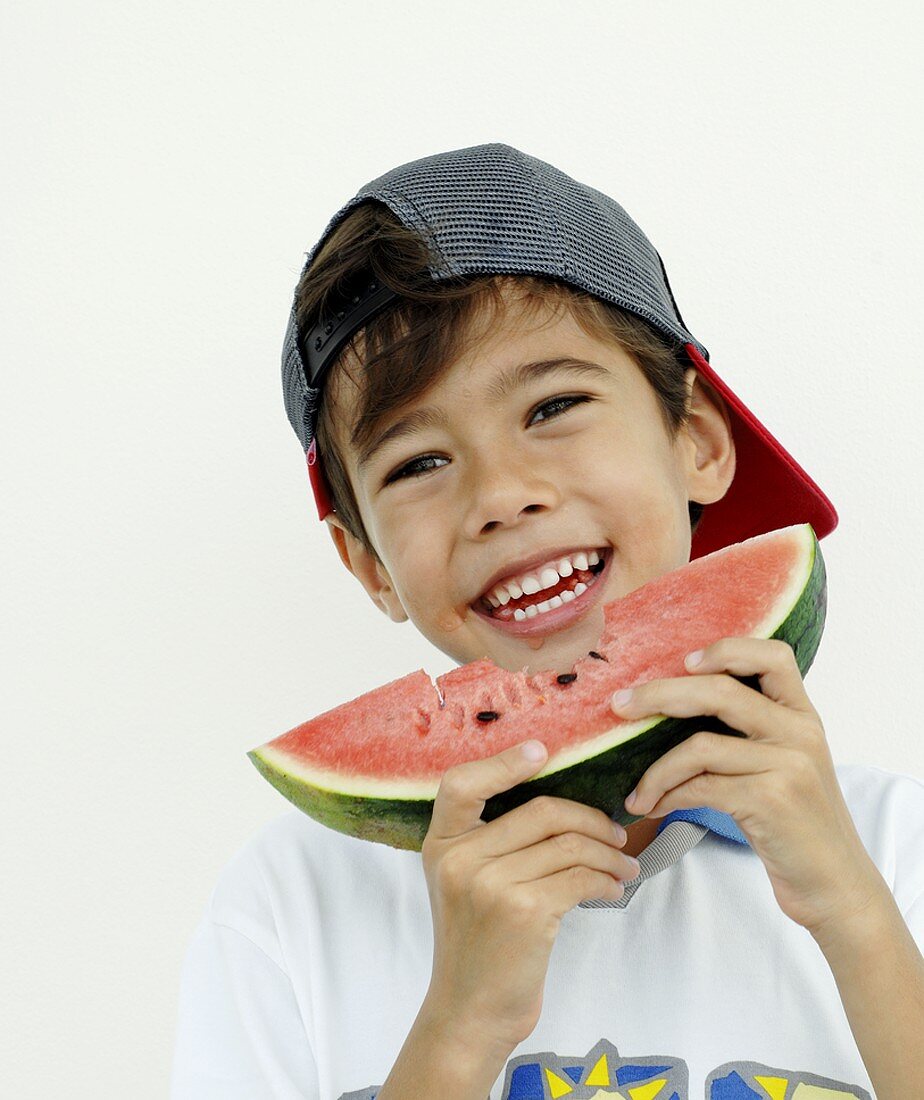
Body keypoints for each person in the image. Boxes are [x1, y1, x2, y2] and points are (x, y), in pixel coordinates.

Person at [170, 144, 924, 1099]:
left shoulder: (894, 848)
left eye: (555, 404)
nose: (503, 495)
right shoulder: (291, 906)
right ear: (369, 565)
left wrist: (853, 916)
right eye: (417, 464)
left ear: (696, 442)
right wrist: (461, 1023)